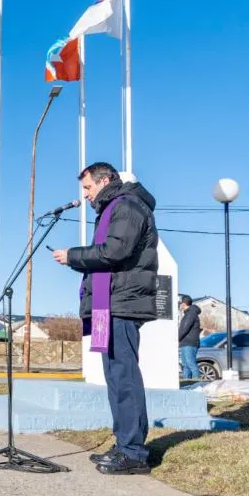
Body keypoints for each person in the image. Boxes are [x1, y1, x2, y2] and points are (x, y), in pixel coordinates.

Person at [52, 162, 157, 475]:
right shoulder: (113, 207)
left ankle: (134, 453)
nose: (85, 195)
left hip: (121, 304)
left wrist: (73, 256)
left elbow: (114, 252)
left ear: (106, 180)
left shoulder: (127, 206)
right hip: (106, 305)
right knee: (115, 379)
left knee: (124, 377)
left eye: (88, 187)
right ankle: (124, 443)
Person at [178, 295, 202, 380]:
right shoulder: (188, 313)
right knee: (185, 365)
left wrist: (177, 338)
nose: (179, 304)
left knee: (190, 363)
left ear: (184, 303)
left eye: (180, 303)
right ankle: (187, 383)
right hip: (185, 343)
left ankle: (197, 382)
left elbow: (185, 328)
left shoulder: (191, 313)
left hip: (190, 343)